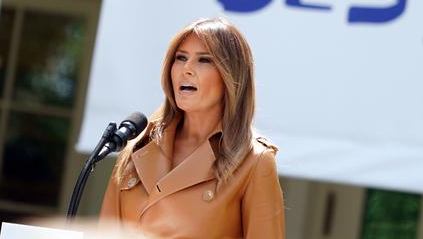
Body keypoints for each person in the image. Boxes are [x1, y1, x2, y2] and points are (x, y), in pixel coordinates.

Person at [99, 17, 285, 238]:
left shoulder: (254, 161)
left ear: (231, 76)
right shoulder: (137, 147)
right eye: (181, 58)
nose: (186, 69)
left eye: (204, 60)